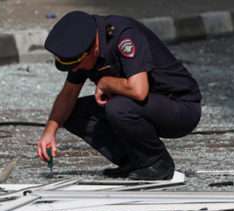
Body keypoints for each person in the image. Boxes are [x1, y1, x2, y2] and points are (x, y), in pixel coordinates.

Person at [37, 11, 202, 180]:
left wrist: (105, 83)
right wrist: (50, 131)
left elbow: (139, 90)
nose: (75, 70)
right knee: (73, 112)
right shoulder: (84, 43)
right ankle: (133, 161)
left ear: (93, 48)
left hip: (180, 107)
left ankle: (157, 163)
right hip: (144, 106)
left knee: (118, 107)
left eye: (77, 64)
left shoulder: (124, 36)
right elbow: (68, 94)